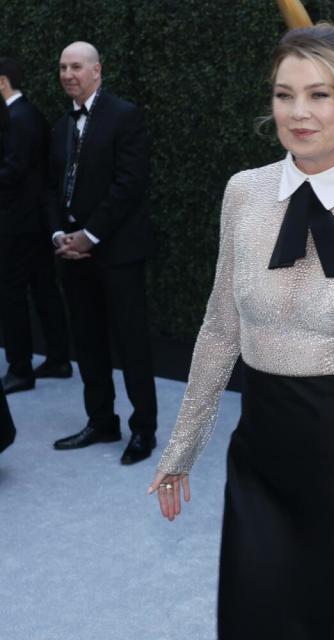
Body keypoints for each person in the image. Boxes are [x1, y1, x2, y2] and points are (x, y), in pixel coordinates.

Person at [150, 25, 334, 639]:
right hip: (260, 446)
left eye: (319, 95)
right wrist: (182, 449)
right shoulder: (244, 193)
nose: (297, 113)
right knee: (256, 616)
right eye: (284, 95)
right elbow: (220, 327)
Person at [45, 42, 157, 465]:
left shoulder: (125, 116)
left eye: (76, 66)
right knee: (88, 342)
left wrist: (90, 235)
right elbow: (50, 188)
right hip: (72, 253)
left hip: (118, 253)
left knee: (131, 344)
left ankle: (143, 430)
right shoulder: (59, 127)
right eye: (62, 67)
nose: (68, 74)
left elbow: (130, 184)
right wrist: (60, 234)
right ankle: (101, 421)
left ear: (97, 70)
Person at [0, 56, 72, 395]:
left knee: (12, 295)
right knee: (44, 289)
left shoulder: (19, 118)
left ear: (2, 82)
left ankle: (20, 369)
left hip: (17, 224)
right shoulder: (27, 115)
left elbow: (12, 173)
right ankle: (58, 359)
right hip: (34, 222)